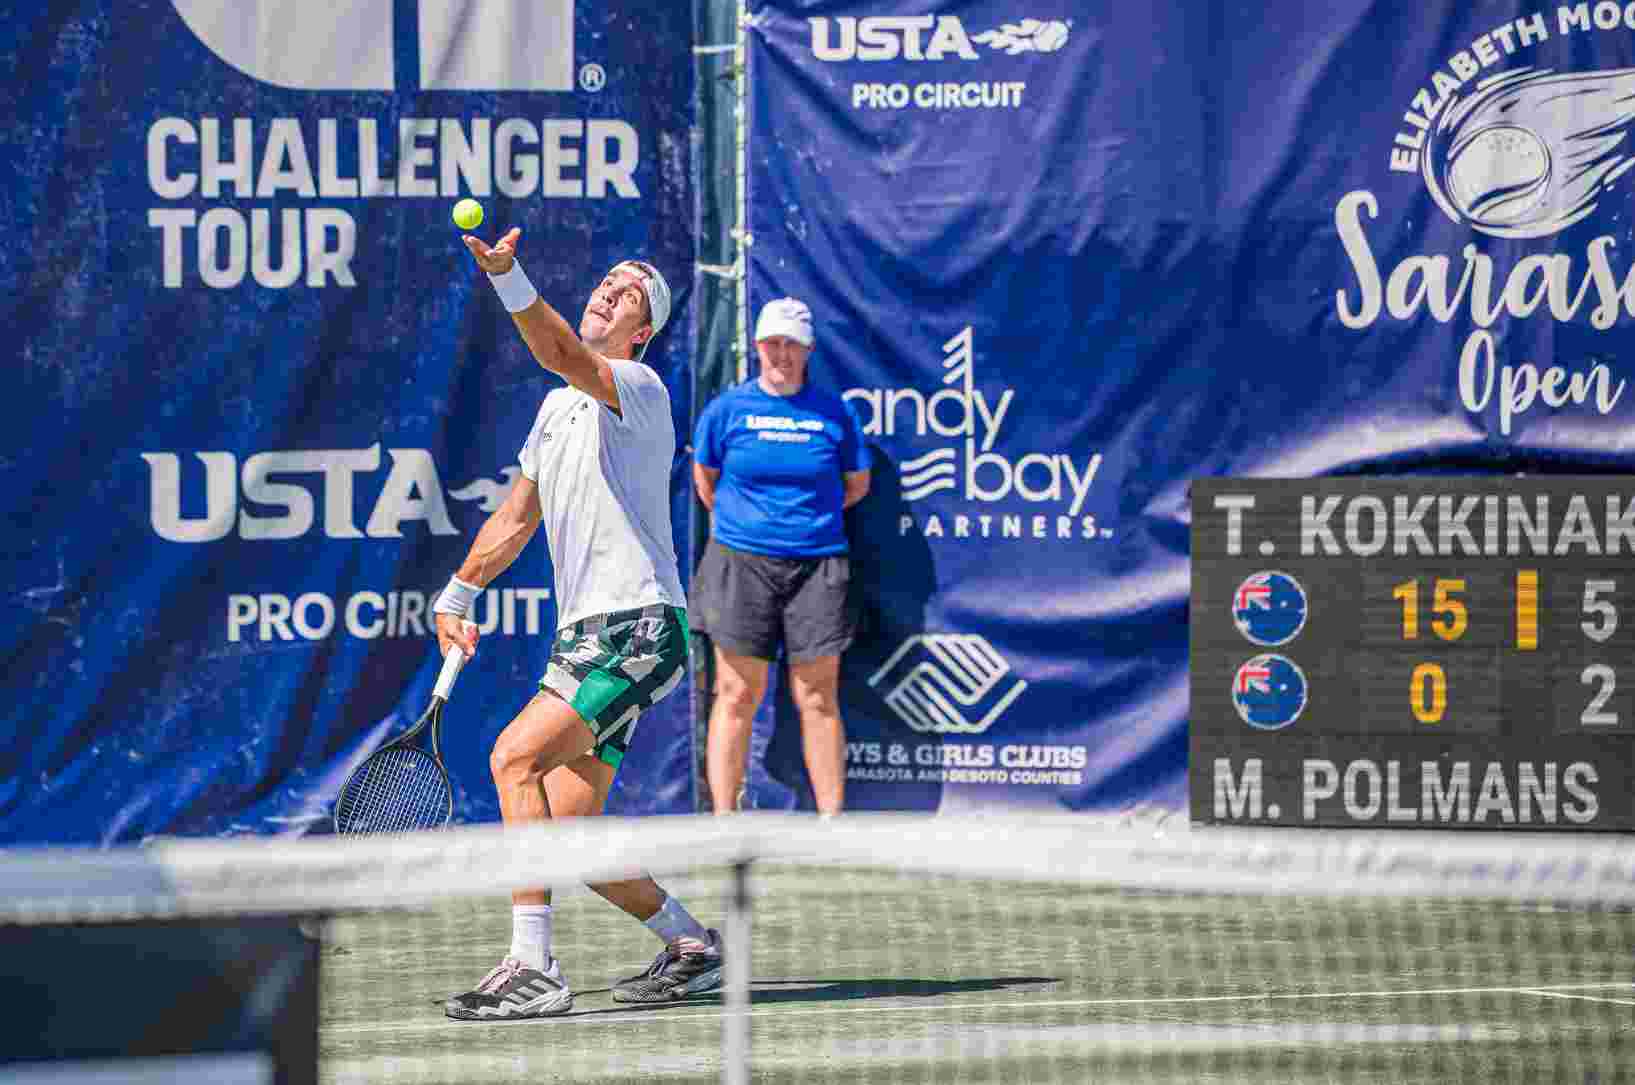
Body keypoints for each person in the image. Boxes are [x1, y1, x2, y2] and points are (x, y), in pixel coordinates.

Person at [433, 228, 722, 1021]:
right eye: (606, 280)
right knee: (563, 826)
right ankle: (692, 943)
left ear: (641, 331)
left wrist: (507, 278)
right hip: (583, 636)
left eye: (627, 292)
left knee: (511, 757)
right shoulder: (556, 411)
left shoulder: (636, 386)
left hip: (637, 624)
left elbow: (560, 350)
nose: (607, 290)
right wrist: (457, 592)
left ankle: (533, 966)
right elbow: (515, 520)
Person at [691, 297, 871, 816]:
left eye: (792, 345)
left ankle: (831, 822)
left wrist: (803, 522)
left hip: (818, 566)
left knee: (817, 697)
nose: (781, 354)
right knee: (736, 692)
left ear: (809, 350)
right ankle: (724, 822)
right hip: (740, 564)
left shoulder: (835, 414)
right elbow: (707, 483)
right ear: (757, 347)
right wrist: (754, 524)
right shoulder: (727, 412)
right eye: (772, 343)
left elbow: (855, 485)